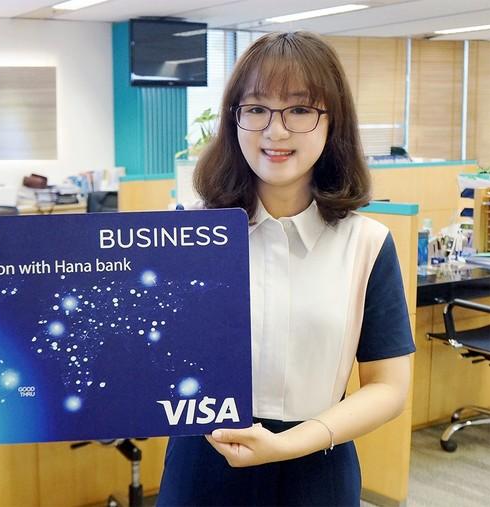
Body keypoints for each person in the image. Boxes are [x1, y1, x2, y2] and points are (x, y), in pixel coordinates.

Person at [156, 31, 415, 506]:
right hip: (205, 462)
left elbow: (389, 387)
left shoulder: (367, 243)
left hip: (318, 464)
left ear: (333, 122)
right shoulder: (185, 235)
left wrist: (289, 443)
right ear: (234, 119)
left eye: (299, 109)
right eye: (256, 109)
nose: (275, 132)